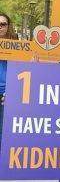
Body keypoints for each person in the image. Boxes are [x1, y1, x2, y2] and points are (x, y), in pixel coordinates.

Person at [0, 13, 18, 148]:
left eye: (3, 24)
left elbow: (21, 71)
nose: (0, 27)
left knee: (3, 132)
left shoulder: (17, 47)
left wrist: (12, 90)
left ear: (8, 26)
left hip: (6, 96)